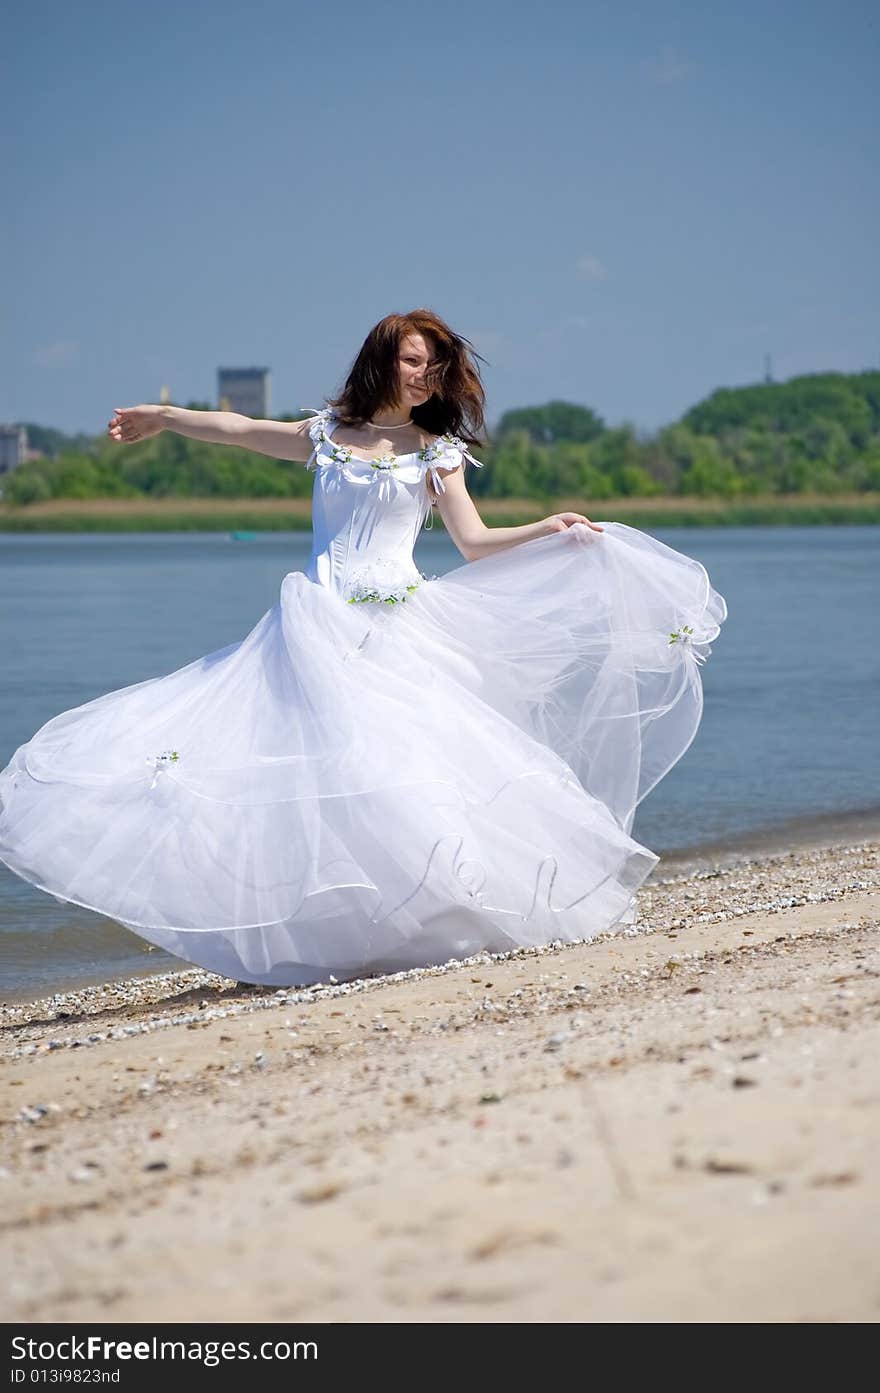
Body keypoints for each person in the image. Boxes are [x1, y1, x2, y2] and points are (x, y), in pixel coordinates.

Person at [0, 308, 727, 986]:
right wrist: (160, 417)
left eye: (435, 369)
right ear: (383, 361)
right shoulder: (325, 435)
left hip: (402, 631)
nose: (425, 377)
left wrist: (548, 528)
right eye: (414, 362)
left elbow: (474, 544)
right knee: (309, 784)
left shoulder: (435, 451)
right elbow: (235, 426)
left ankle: (433, 918)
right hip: (317, 624)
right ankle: (338, 938)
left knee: (403, 776)